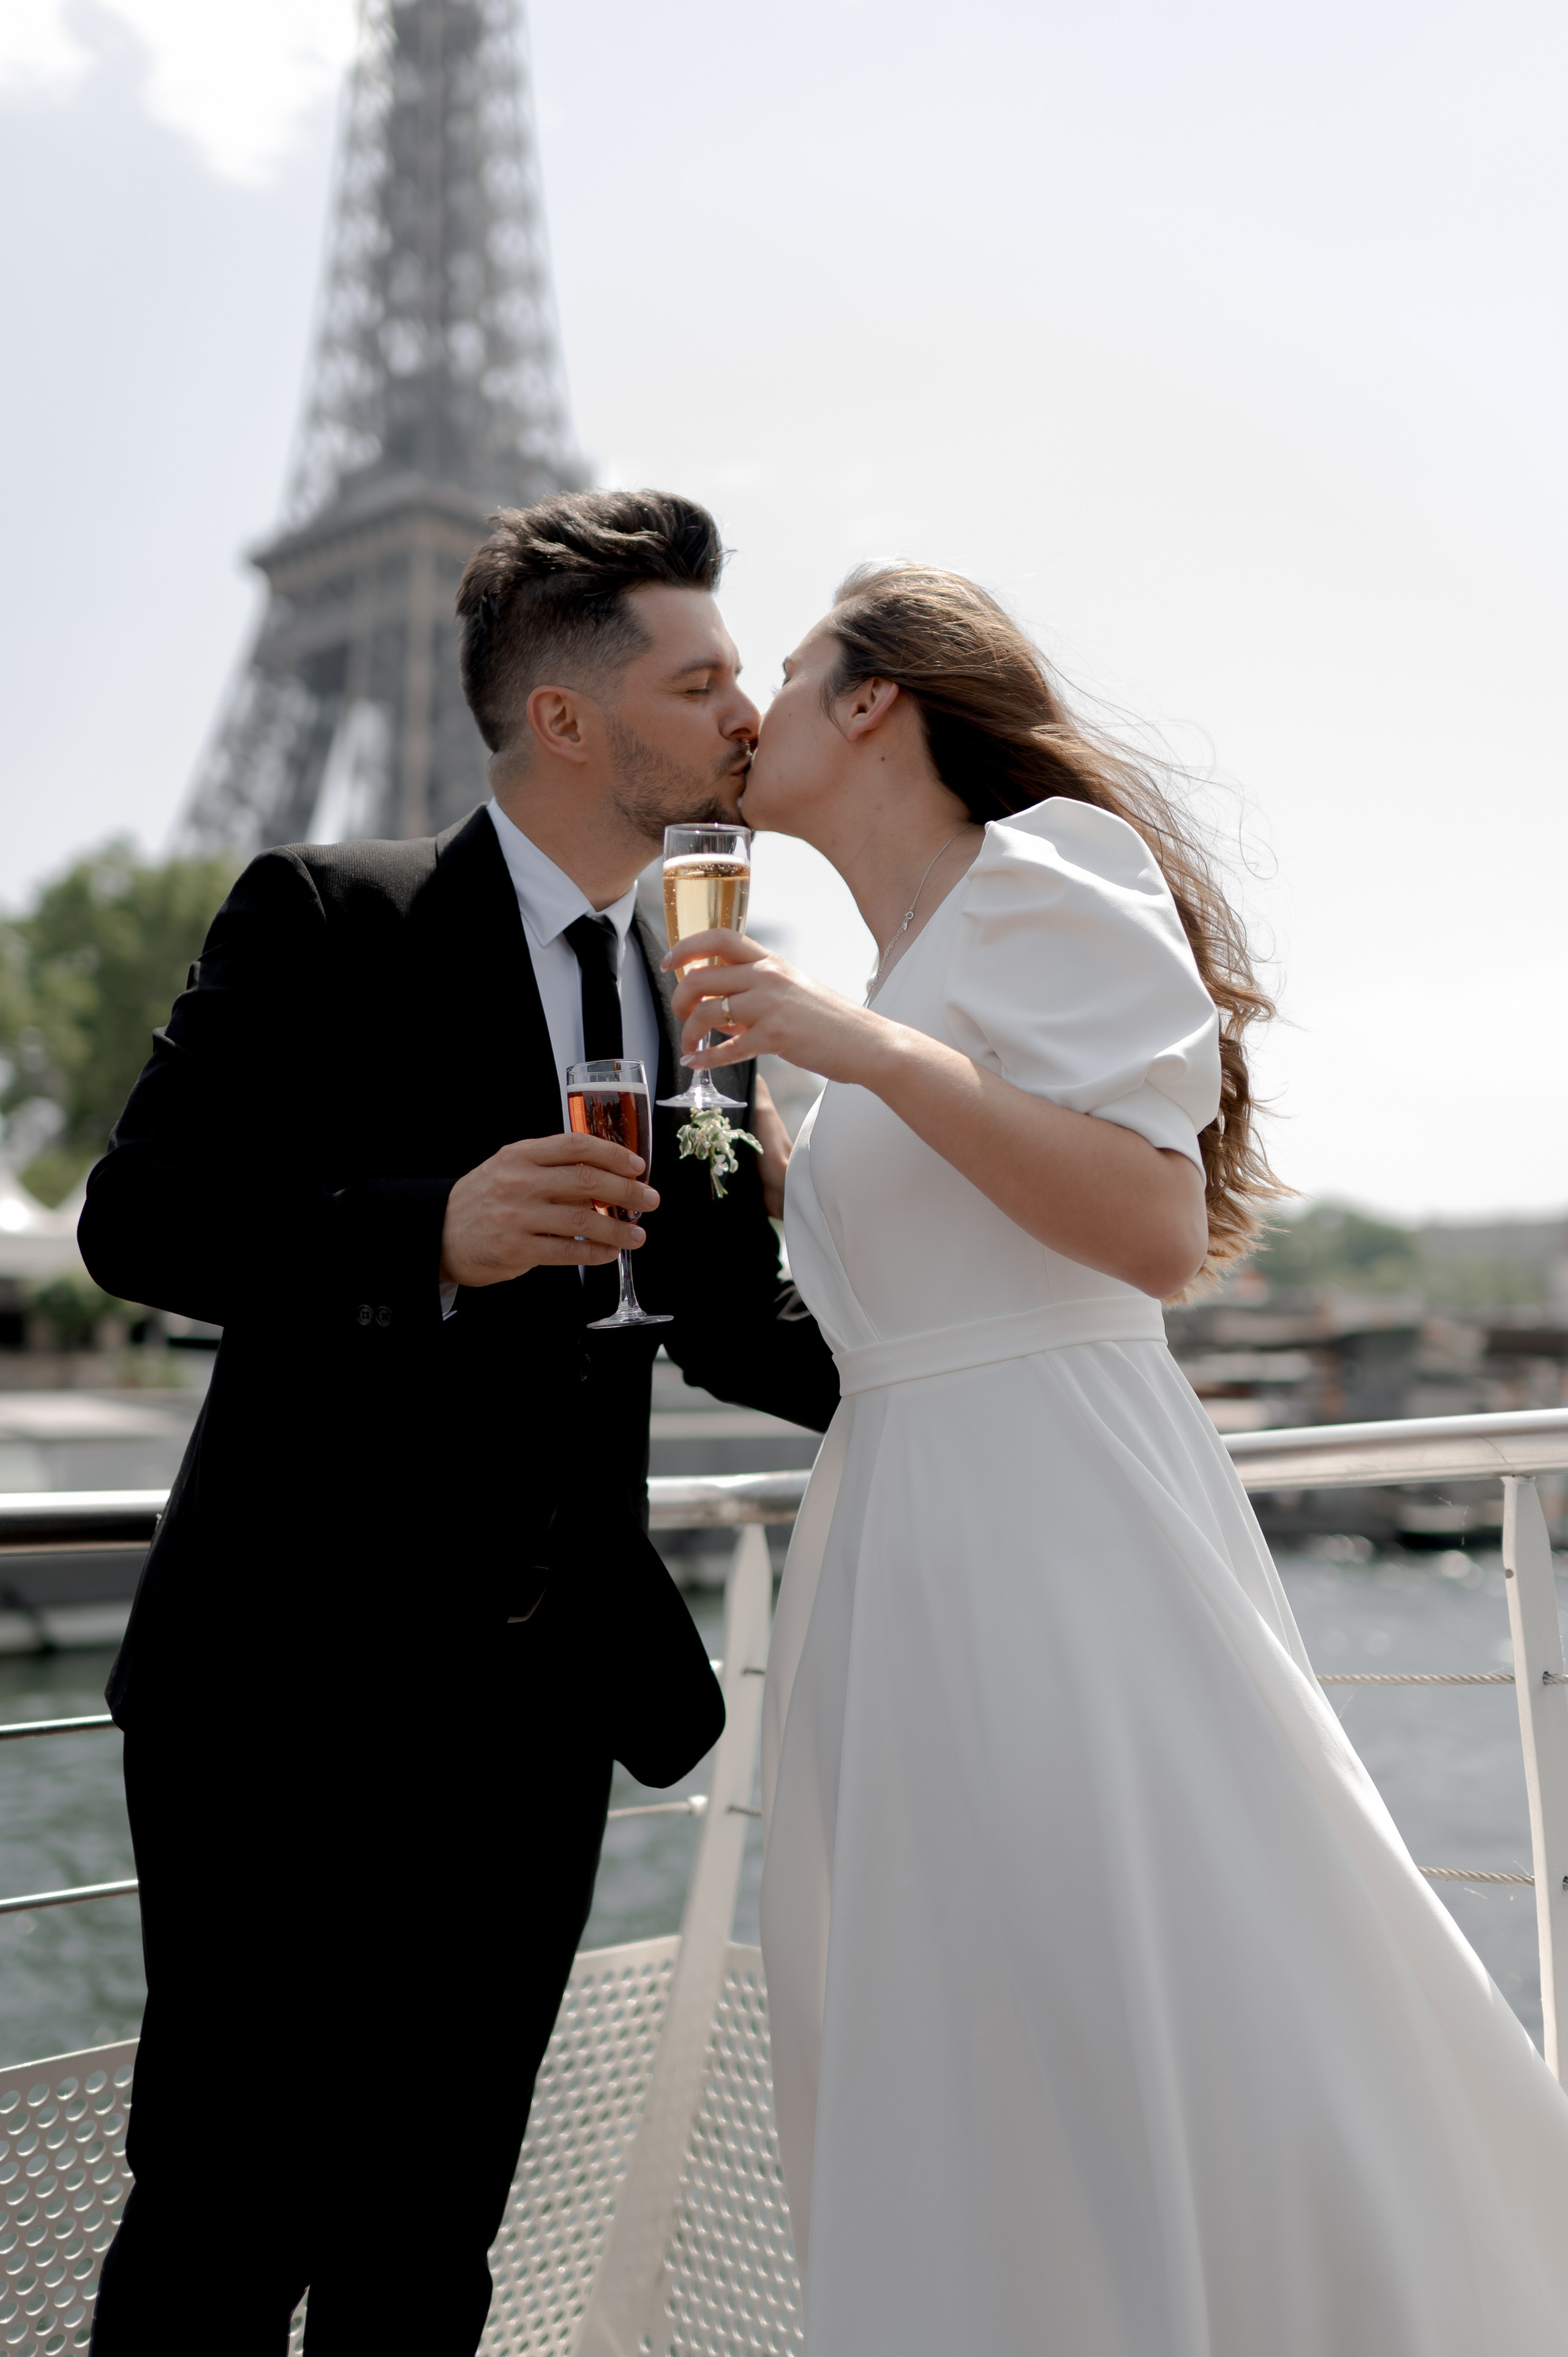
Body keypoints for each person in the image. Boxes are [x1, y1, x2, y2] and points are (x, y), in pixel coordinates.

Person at [666, 562, 1568, 2356]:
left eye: (788, 666)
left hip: (1063, 1539)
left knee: (1140, 1968)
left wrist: (865, 1056)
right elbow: (939, 1246)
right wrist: (789, 1143)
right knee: (968, 2018)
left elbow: (1152, 1231)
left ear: (878, 702)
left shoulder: (1049, 876)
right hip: (911, 1542)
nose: (755, 708)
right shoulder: (895, 976)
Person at [78, 490, 839, 2356]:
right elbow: (140, 1215)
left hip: (536, 1704)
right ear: (570, 719)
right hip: (284, 1694)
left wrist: (1010, 1367)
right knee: (226, 2214)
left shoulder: (698, 983)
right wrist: (432, 1227)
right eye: (706, 675)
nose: (747, 708)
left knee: (435, 2234)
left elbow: (733, 1317)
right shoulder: (335, 912)